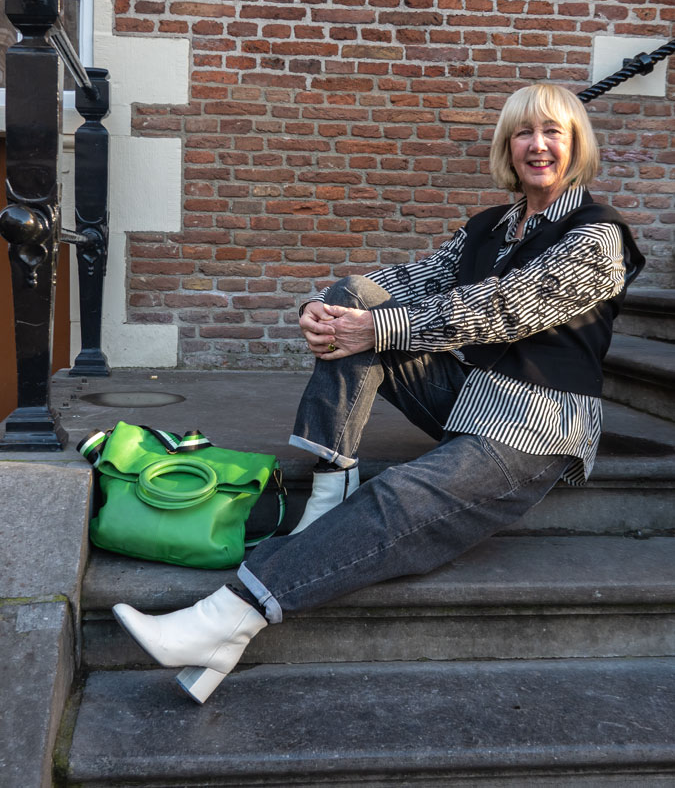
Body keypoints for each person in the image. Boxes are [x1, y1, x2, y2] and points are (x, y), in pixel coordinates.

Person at [113, 82, 644, 704]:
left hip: (536, 424)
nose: (538, 145)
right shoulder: (489, 226)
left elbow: (503, 308)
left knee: (397, 495)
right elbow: (410, 279)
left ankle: (226, 621)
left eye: (554, 131)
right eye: (524, 132)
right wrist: (324, 307)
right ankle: (333, 477)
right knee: (353, 296)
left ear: (576, 143)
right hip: (470, 394)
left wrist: (375, 329)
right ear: (507, 144)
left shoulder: (597, 235)